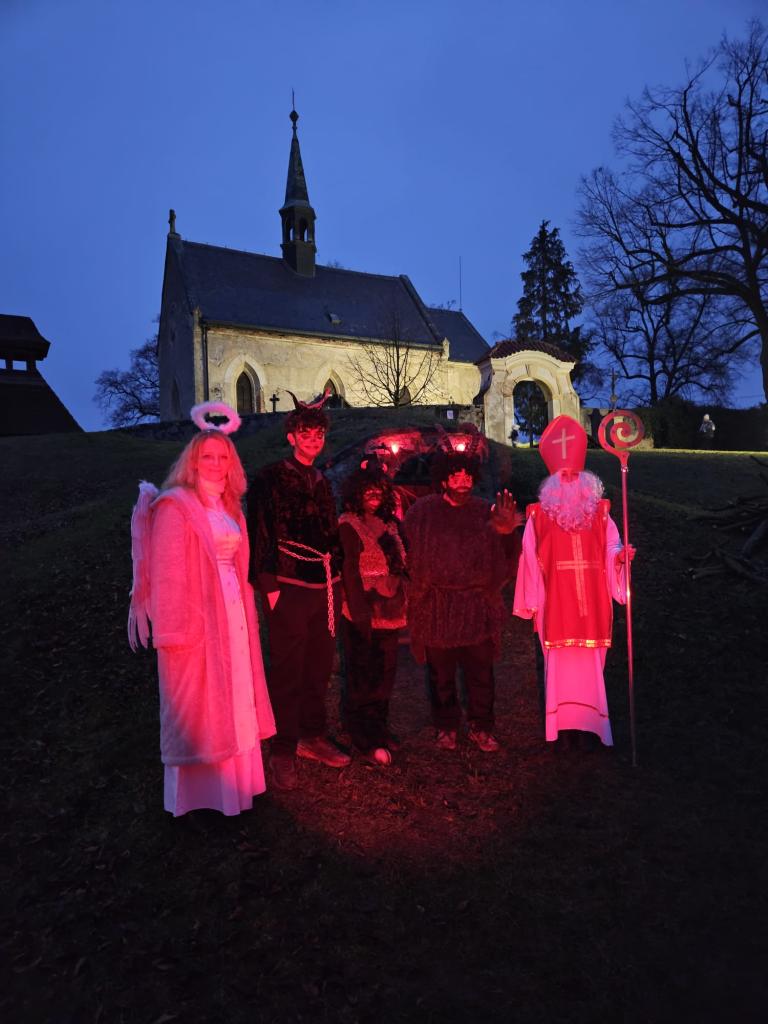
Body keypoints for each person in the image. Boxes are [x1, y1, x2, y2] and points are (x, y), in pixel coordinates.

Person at [128, 402, 275, 816]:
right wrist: (177, 635)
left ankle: (239, 787)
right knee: (200, 706)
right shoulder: (176, 505)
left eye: (222, 457)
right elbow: (168, 574)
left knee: (236, 694)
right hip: (198, 619)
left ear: (232, 462)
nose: (215, 464)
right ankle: (201, 795)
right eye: (207, 457)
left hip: (233, 612)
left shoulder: (230, 507)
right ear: (193, 461)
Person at [246, 397, 350, 791]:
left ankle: (312, 735)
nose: (313, 439)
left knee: (319, 667)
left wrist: (338, 579)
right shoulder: (269, 478)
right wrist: (269, 585)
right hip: (288, 584)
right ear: (292, 436)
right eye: (306, 433)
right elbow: (260, 529)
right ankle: (283, 747)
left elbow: (330, 532)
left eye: (318, 434)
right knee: (288, 669)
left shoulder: (321, 480)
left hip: (324, 586)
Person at [513, 415, 633, 751]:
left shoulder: (601, 514)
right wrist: (532, 602)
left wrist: (619, 559)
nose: (569, 480)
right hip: (556, 607)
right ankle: (563, 730)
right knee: (560, 672)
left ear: (586, 479)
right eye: (563, 476)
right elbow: (529, 560)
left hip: (592, 605)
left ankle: (591, 728)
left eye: (575, 475)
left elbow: (611, 547)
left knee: (591, 671)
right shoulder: (538, 517)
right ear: (552, 482)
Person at [403, 442, 520, 752]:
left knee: (480, 672)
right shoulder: (422, 512)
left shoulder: (484, 512)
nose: (463, 482)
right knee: (440, 675)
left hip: (475, 606)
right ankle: (446, 727)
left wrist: (507, 533)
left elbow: (506, 559)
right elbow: (405, 552)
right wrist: (417, 594)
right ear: (444, 479)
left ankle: (482, 727)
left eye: (467, 477)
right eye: (456, 477)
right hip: (437, 607)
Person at [339, 467, 408, 765]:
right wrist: (360, 614)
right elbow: (349, 572)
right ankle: (363, 734)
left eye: (378, 489)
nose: (373, 495)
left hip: (390, 612)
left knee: (385, 674)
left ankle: (379, 726)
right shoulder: (348, 526)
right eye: (367, 489)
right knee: (362, 674)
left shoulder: (391, 525)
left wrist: (396, 581)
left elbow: (403, 562)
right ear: (356, 493)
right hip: (360, 611)